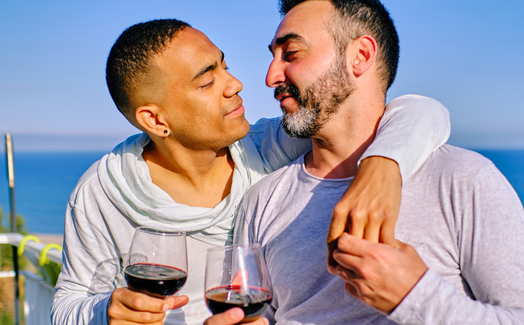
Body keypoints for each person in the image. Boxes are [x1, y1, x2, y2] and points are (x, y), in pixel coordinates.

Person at [50, 18, 451, 325]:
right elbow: (67, 304)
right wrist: (106, 311)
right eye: (207, 82)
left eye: (224, 66)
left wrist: (383, 167)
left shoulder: (265, 147)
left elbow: (418, 111)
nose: (236, 83)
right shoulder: (102, 192)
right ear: (155, 120)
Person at [228, 0, 524, 324]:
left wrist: (414, 296)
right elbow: (260, 313)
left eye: (291, 54)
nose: (271, 76)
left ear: (360, 56)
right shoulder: (263, 199)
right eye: (273, 57)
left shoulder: (462, 180)